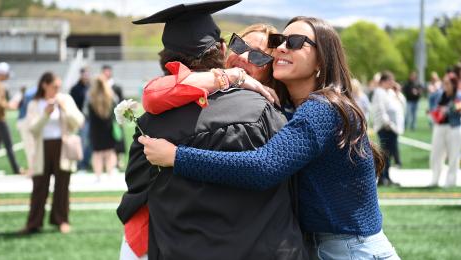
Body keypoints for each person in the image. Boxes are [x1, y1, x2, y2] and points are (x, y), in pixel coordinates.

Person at [139, 16, 400, 259]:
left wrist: (176, 156)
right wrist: (231, 77)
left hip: (351, 250)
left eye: (296, 42)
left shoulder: (321, 109)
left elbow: (264, 166)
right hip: (320, 245)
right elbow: (154, 93)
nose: (283, 47)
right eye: (280, 42)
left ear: (322, 61)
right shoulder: (286, 109)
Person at [117, 1, 307, 259]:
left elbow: (138, 187)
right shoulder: (266, 115)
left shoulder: (152, 122)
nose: (242, 58)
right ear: (222, 48)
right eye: (239, 45)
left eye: (259, 57)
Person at [20, 72, 84, 234]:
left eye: (59, 86)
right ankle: (33, 223)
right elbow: (32, 130)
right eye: (55, 86)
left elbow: (79, 122)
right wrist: (45, 114)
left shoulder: (66, 99)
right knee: (39, 187)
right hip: (42, 149)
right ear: (44, 85)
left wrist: (64, 109)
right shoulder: (34, 103)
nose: (57, 89)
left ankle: (61, 220)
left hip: (62, 148)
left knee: (62, 186)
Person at [429, 69, 461, 187]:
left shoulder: (460, 95)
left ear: (454, 84)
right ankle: (435, 180)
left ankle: (451, 182)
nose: (444, 85)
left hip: (454, 127)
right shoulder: (439, 94)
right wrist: (435, 112)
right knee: (436, 154)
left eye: (447, 83)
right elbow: (432, 106)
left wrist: (450, 109)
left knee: (454, 155)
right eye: (444, 83)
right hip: (439, 127)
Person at [0, 62, 23, 175]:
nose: (8, 76)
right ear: (1, 73)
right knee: (8, 145)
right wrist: (10, 106)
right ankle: (16, 169)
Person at [372, 71, 404, 185]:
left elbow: (401, 102)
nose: (393, 83)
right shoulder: (379, 92)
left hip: (392, 128)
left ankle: (386, 177)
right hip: (386, 128)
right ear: (384, 81)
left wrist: (397, 92)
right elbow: (380, 109)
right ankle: (382, 177)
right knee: (385, 154)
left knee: (388, 154)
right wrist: (388, 123)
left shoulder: (389, 92)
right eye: (391, 80)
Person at [87, 76, 118, 181]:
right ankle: (109, 173)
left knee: (97, 153)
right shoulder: (111, 97)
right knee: (110, 152)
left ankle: (98, 176)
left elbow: (87, 114)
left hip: (95, 129)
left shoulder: (91, 98)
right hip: (108, 128)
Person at [101, 64, 126, 169]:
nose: (107, 73)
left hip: (115, 118)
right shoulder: (100, 87)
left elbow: (122, 102)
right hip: (103, 119)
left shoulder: (117, 87)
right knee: (105, 140)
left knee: (118, 138)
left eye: (108, 71)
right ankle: (105, 163)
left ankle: (119, 161)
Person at [70, 67, 92, 171]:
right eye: (85, 74)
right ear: (81, 75)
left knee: (92, 142)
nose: (86, 76)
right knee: (82, 141)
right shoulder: (75, 88)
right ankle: (80, 164)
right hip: (82, 119)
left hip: (92, 119)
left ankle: (87, 162)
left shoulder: (91, 86)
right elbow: (73, 105)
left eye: (88, 74)